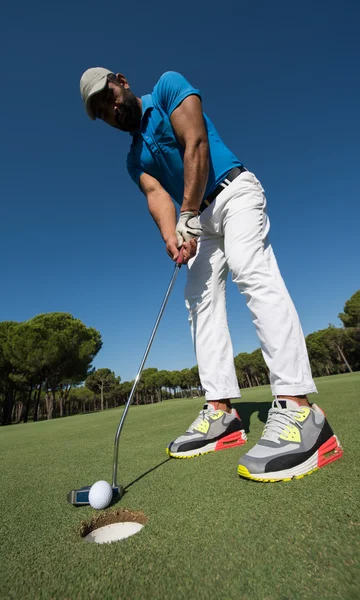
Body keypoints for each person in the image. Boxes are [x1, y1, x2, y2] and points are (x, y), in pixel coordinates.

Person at [80, 67, 343, 482]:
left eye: (107, 96)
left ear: (122, 81)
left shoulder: (168, 88)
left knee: (247, 266)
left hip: (233, 191)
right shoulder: (134, 160)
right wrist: (173, 235)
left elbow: (195, 143)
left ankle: (300, 410)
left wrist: (187, 213)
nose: (110, 110)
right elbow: (155, 195)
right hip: (198, 219)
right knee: (198, 300)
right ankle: (222, 414)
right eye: (100, 111)